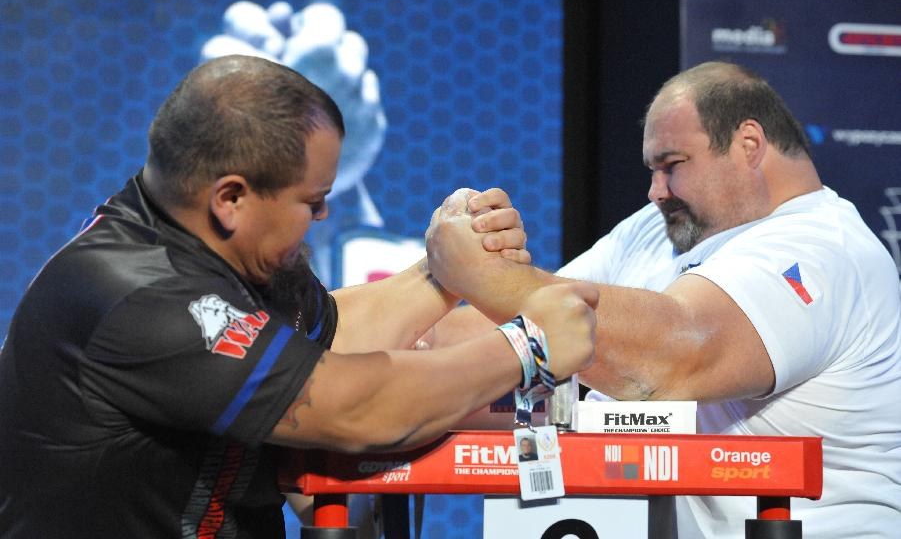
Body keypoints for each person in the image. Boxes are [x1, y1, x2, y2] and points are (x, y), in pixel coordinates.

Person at [0, 55, 600, 538]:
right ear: (231, 198)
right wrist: (529, 347)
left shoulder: (220, 250)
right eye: (311, 201)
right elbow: (352, 407)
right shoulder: (139, 294)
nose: (323, 214)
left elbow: (321, 343)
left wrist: (444, 272)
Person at [427, 61, 901, 538]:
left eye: (672, 166)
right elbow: (526, 327)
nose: (656, 191)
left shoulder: (823, 248)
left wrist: (490, 278)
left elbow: (670, 362)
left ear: (749, 145)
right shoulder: (660, 227)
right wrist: (407, 329)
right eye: (653, 170)